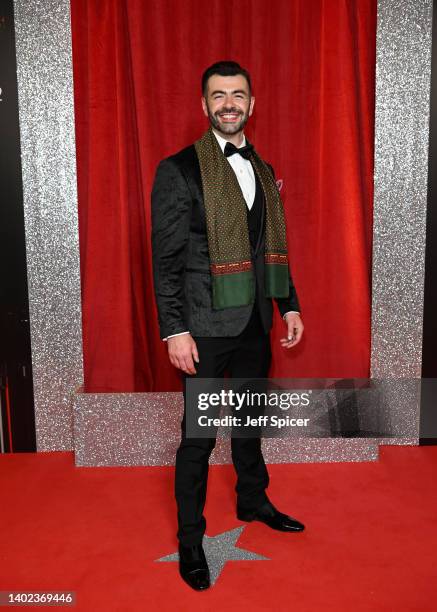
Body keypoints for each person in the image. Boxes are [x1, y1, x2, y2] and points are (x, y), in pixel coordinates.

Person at [151, 60, 305, 591]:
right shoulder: (178, 170)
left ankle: (253, 499)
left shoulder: (261, 167)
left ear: (252, 104)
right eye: (219, 96)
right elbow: (166, 261)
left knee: (249, 426)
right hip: (204, 329)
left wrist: (288, 305)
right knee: (198, 439)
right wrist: (175, 330)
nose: (229, 104)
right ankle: (191, 538)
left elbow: (271, 249)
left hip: (254, 323)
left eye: (238, 94)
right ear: (204, 105)